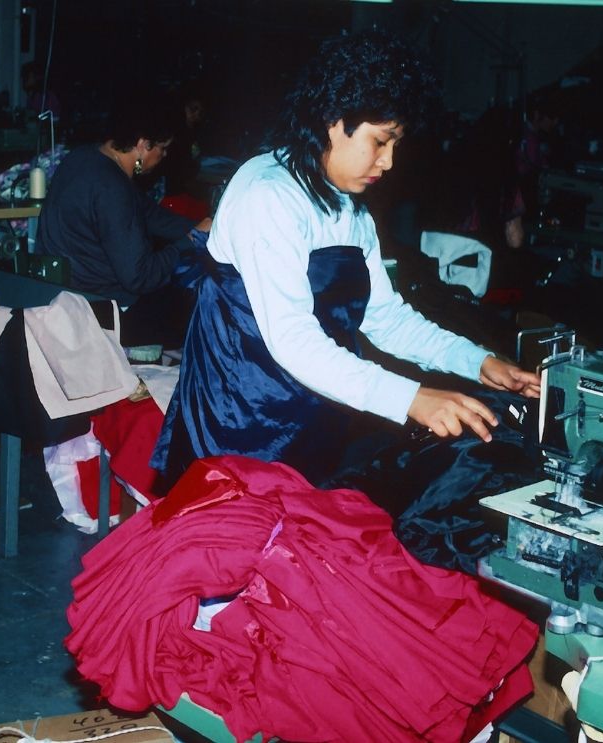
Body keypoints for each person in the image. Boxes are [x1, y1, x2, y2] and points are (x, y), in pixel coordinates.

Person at [152, 31, 540, 491]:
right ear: (332, 121)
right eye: (381, 141)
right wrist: (411, 398)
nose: (390, 161)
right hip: (241, 424)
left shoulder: (349, 207)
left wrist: (478, 362)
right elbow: (294, 341)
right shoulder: (268, 195)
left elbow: (386, 319)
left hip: (312, 411)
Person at [35, 97, 211, 348]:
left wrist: (198, 226)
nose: (163, 155)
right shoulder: (112, 186)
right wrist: (190, 241)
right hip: (101, 311)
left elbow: (148, 213)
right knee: (198, 305)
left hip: (64, 297)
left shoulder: (82, 159)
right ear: (142, 144)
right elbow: (141, 277)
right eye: (162, 148)